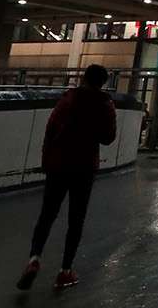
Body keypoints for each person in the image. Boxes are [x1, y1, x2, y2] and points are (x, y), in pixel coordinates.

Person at [18, 63, 117, 291]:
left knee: (47, 214)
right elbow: (108, 138)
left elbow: (50, 130)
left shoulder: (67, 100)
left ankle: (34, 258)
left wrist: (47, 161)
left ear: (83, 78)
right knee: (76, 218)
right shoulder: (104, 104)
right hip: (84, 167)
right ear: (103, 82)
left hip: (58, 164)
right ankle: (65, 270)